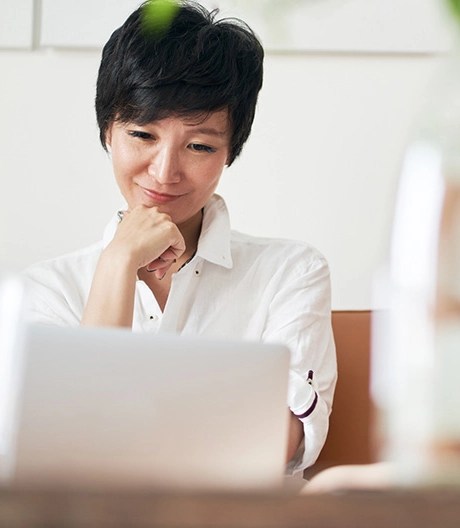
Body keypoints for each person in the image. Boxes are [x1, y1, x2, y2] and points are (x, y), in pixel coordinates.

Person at [24, 0, 336, 475]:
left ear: (231, 151)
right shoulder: (44, 291)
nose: (165, 171)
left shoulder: (290, 273)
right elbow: (74, 460)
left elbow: (276, 443)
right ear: (108, 132)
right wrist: (117, 263)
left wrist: (124, 430)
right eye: (143, 135)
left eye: (199, 145)